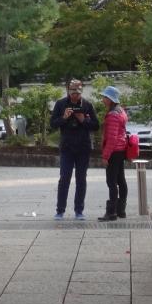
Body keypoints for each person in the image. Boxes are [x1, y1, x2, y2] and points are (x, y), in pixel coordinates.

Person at [49, 79, 99, 220]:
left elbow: (96, 126)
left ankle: (79, 210)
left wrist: (83, 120)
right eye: (72, 92)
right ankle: (60, 210)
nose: (75, 95)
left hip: (83, 147)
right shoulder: (61, 104)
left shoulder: (87, 105)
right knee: (64, 178)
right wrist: (64, 117)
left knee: (81, 179)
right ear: (68, 91)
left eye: (78, 92)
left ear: (81, 91)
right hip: (67, 147)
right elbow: (53, 124)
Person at [99, 85, 129, 221]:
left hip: (114, 151)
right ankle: (121, 210)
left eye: (105, 97)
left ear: (110, 99)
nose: (103, 99)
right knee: (121, 180)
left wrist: (105, 156)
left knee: (111, 181)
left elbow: (111, 138)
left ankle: (111, 212)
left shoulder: (112, 115)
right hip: (121, 150)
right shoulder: (121, 111)